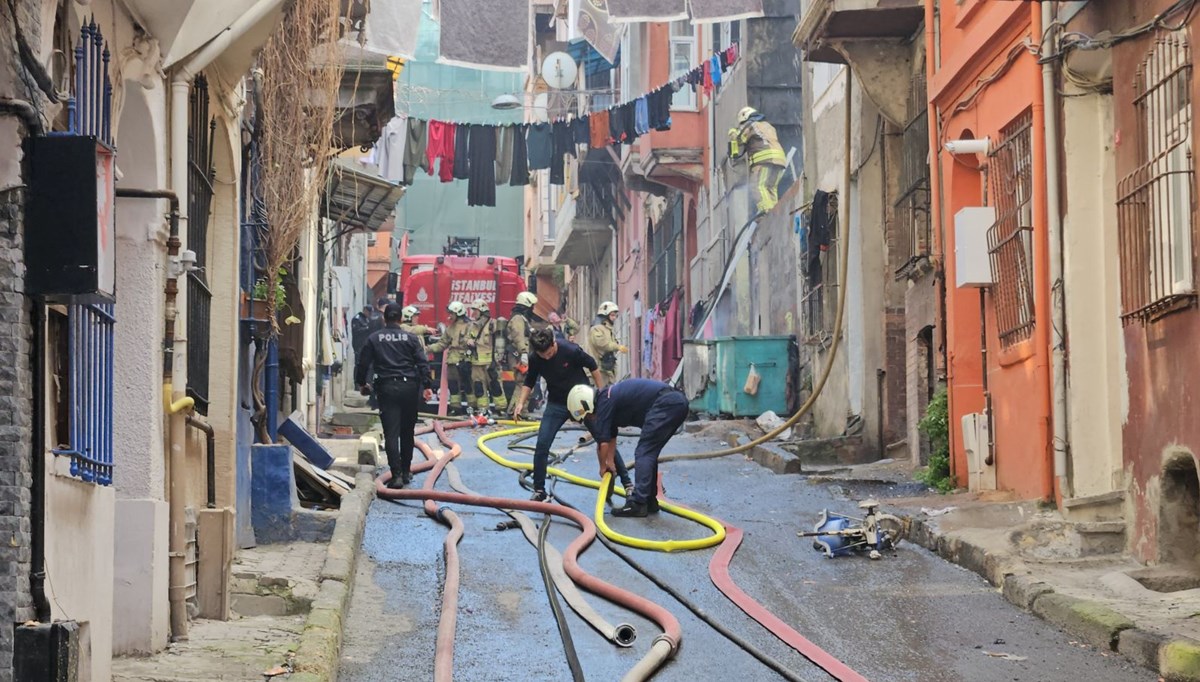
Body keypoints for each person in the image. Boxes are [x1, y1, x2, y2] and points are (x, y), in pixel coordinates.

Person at [511, 328, 631, 502]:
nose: (546, 357)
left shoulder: (571, 350)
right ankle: (539, 489)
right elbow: (529, 380)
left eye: (549, 353)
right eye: (542, 355)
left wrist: (602, 394)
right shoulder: (536, 357)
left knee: (603, 437)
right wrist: (520, 403)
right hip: (557, 403)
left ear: (554, 344)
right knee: (542, 444)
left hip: (583, 401)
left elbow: (593, 366)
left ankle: (627, 484)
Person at [568, 379, 689, 517]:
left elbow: (603, 443)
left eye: (588, 416)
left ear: (587, 405)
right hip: (675, 403)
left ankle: (638, 503)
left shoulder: (604, 403)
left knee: (644, 452)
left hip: (667, 403)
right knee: (650, 452)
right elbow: (611, 436)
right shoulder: (606, 399)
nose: (591, 420)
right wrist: (610, 463)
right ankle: (649, 500)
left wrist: (603, 468)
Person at [355, 304, 434, 489]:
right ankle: (406, 472)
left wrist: (362, 384)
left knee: (391, 433)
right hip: (409, 388)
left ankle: (396, 475)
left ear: (385, 319)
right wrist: (427, 386)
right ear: (400, 319)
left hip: (387, 388)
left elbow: (363, 363)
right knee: (407, 432)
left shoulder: (374, 338)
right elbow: (422, 363)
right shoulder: (411, 338)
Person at [728, 106, 786, 217]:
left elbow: (740, 140)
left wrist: (733, 133)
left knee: (757, 186)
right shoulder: (767, 126)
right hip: (779, 160)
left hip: (763, 160)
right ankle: (775, 213)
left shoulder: (750, 125)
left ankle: (767, 214)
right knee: (770, 188)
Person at [427, 301, 472, 414]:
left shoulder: (470, 326)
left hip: (465, 360)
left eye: (451, 313)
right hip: (452, 361)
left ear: (458, 313)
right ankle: (455, 408)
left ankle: (473, 408)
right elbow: (442, 344)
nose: (449, 316)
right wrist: (428, 348)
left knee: (469, 386)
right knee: (453, 387)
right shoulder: (450, 328)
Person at [465, 299, 508, 415]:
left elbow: (501, 340)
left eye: (475, 310)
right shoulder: (472, 325)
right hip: (476, 363)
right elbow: (466, 338)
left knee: (495, 386)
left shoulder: (492, 324)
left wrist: (497, 359)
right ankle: (483, 409)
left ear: (483, 311)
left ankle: (501, 409)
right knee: (478, 387)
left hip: (490, 363)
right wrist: (468, 341)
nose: (473, 313)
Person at [506, 292, 537, 413]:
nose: (533, 309)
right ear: (526, 305)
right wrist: (524, 353)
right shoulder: (518, 319)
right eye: (531, 306)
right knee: (523, 384)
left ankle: (521, 411)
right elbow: (518, 337)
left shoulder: (522, 319)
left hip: (521, 355)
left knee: (527, 384)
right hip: (519, 356)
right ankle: (514, 411)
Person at [588, 301, 627, 386]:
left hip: (607, 370)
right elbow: (602, 343)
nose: (614, 318)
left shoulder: (607, 328)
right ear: (605, 315)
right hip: (599, 370)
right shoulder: (596, 329)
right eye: (612, 315)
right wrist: (617, 346)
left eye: (615, 315)